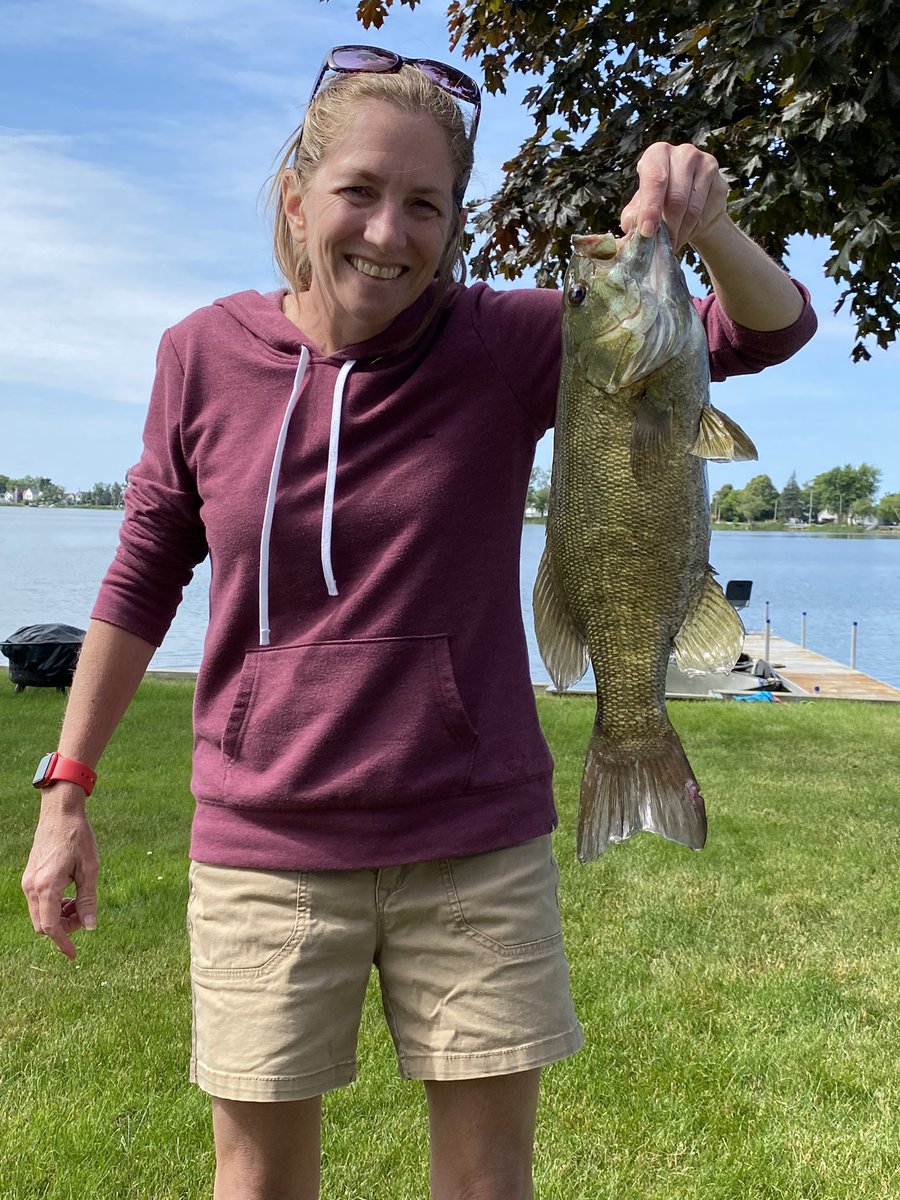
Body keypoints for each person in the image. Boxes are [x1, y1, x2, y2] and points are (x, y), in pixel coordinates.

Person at [22, 44, 816, 1200]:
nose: (388, 233)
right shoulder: (199, 355)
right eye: (358, 193)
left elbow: (762, 333)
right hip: (266, 846)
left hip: (475, 841)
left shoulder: (504, 341)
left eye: (425, 206)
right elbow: (145, 572)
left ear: (454, 223)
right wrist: (68, 792)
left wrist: (707, 224)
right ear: (297, 198)